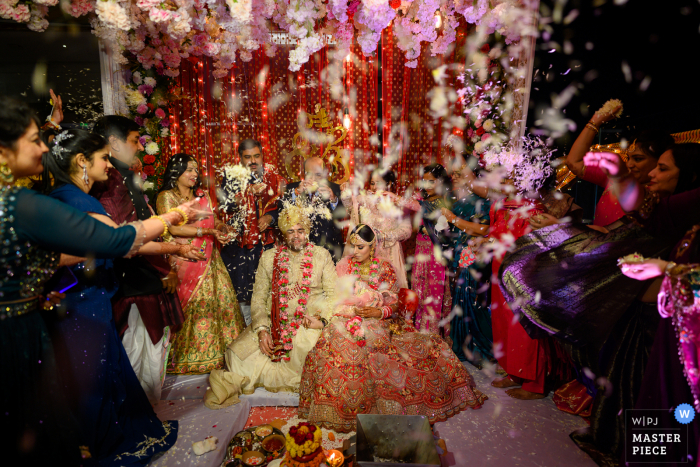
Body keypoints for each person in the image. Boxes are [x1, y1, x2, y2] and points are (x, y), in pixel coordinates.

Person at [0, 96, 200, 464]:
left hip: (57, 309)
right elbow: (119, 241)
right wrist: (173, 216)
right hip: (56, 316)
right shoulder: (31, 203)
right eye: (35, 138)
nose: (43, 147)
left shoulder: (45, 198)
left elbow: (55, 255)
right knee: (82, 390)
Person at [42, 129, 196, 465]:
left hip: (85, 300)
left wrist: (175, 247)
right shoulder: (78, 200)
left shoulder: (64, 195)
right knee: (93, 381)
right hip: (81, 305)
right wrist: (173, 217)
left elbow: (118, 246)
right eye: (101, 158)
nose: (108, 165)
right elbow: (121, 241)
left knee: (101, 375)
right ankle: (99, 444)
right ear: (81, 161)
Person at [298, 224, 487, 432]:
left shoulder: (384, 268)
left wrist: (378, 313)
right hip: (347, 316)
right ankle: (340, 404)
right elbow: (337, 297)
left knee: (371, 342)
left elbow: (395, 304)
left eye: (361, 247)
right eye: (353, 246)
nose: (355, 252)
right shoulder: (344, 265)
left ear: (372, 246)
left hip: (378, 320)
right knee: (332, 337)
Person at [91, 115, 190, 402]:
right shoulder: (110, 179)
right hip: (132, 279)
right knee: (137, 350)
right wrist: (168, 259)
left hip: (141, 275)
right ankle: (137, 416)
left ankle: (144, 414)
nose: (138, 147)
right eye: (135, 140)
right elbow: (128, 236)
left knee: (149, 350)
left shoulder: (121, 175)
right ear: (113, 142)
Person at [204, 200, 337, 409]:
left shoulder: (321, 255)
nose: (296, 235)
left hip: (308, 321)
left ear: (307, 231)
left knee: (306, 353)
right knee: (237, 356)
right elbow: (258, 298)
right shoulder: (269, 257)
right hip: (275, 320)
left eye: (300, 230)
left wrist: (322, 320)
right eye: (291, 231)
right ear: (283, 233)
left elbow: (333, 294)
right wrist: (262, 330)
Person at [157, 153, 246, 374]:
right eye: (189, 169)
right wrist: (206, 230)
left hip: (210, 258)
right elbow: (174, 228)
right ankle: (182, 358)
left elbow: (212, 219)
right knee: (192, 305)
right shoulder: (166, 197)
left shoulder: (202, 195)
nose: (194, 174)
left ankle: (220, 355)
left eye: (196, 170)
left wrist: (222, 227)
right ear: (176, 172)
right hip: (185, 257)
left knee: (219, 301)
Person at [219, 139, 286, 325]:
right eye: (247, 157)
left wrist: (269, 218)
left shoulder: (272, 175)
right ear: (240, 158)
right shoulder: (231, 176)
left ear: (262, 156)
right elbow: (224, 205)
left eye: (256, 156)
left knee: (267, 290)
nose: (253, 161)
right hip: (240, 244)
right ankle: (243, 334)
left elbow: (283, 205)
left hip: (266, 242)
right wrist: (244, 195)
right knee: (241, 293)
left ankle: (268, 330)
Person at [440, 163, 493, 366]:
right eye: (453, 173)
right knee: (458, 299)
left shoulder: (482, 202)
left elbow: (482, 229)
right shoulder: (458, 201)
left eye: (459, 174)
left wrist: (453, 219)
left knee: (472, 299)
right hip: (457, 253)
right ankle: (462, 345)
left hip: (473, 254)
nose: (454, 177)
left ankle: (480, 347)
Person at [340, 169, 418, 289]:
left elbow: (406, 231)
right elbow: (350, 206)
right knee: (363, 290)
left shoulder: (397, 204)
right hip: (365, 254)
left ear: (389, 184)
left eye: (379, 183)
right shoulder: (364, 200)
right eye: (372, 183)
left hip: (388, 252)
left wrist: (384, 236)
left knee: (388, 290)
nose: (375, 187)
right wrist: (345, 192)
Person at [412, 163, 453, 335]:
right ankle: (418, 330)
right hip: (420, 251)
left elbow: (448, 234)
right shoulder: (420, 201)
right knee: (418, 289)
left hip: (436, 253)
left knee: (434, 292)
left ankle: (432, 335)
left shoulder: (446, 202)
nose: (427, 185)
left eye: (432, 181)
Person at [282, 156, 345, 262]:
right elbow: (281, 211)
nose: (314, 179)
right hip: (299, 249)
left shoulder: (335, 188)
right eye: (310, 174)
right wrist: (296, 193)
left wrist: (334, 199)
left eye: (318, 175)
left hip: (330, 249)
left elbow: (343, 216)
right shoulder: (292, 188)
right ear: (304, 174)